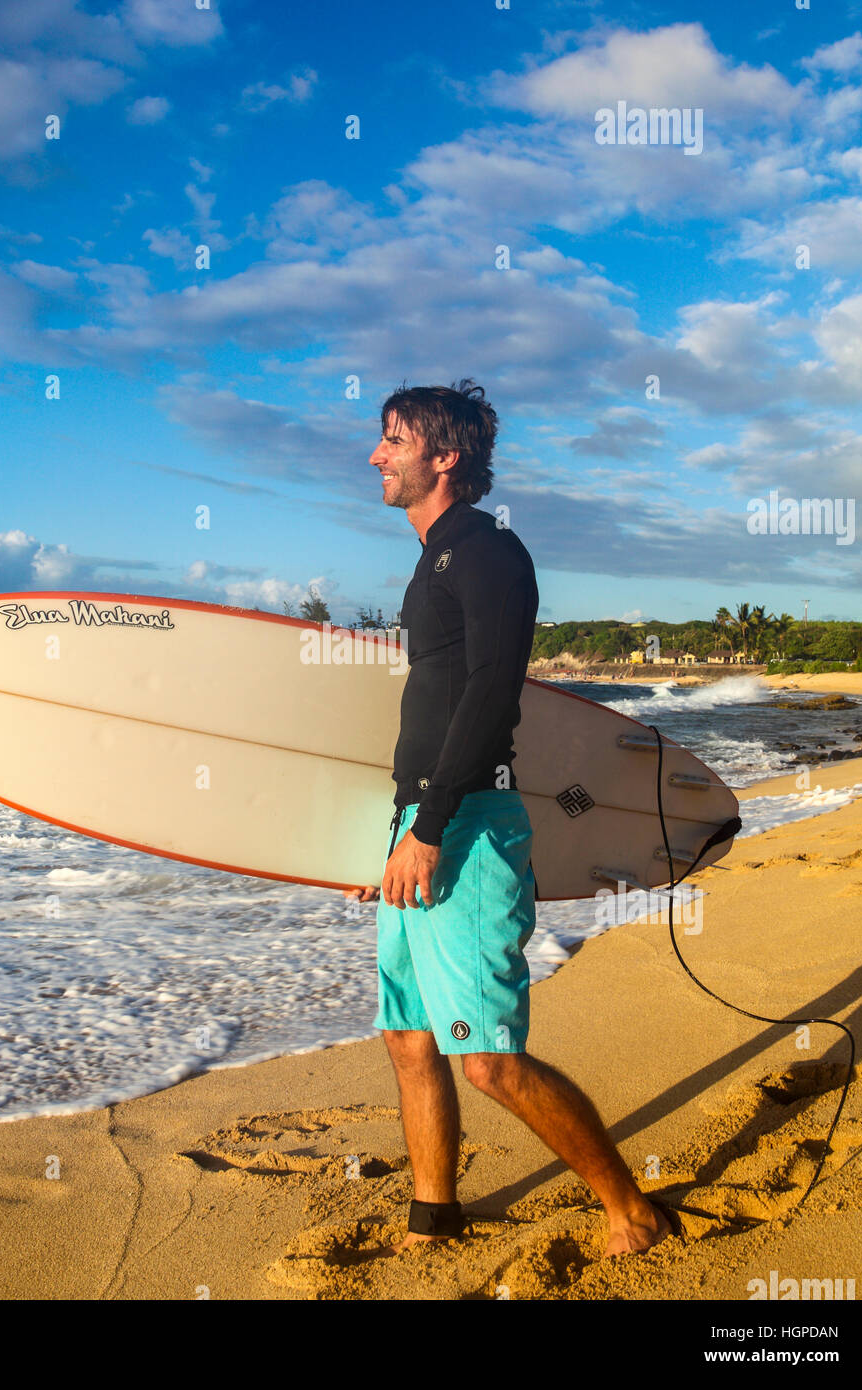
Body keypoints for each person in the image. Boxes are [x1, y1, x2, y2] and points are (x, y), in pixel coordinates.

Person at [344, 379, 672, 1258]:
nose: (375, 455)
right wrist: (395, 830)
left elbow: (491, 697)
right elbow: (435, 705)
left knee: (484, 1056)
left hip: (465, 828)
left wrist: (428, 828)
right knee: (409, 1041)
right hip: (418, 819)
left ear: (442, 456)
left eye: (391, 439)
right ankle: (433, 1215)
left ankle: (630, 1210)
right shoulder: (431, 560)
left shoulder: (489, 552)